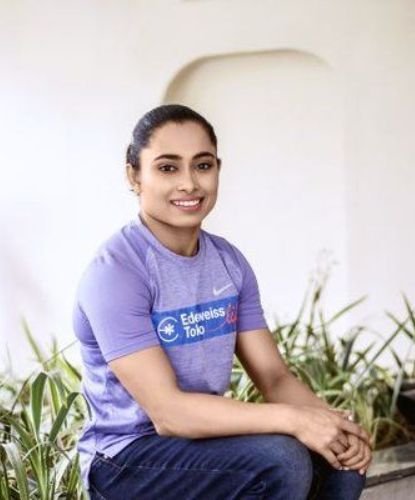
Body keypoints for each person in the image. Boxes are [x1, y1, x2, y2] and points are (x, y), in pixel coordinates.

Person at [72, 104, 372, 500]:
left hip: (201, 444)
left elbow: (274, 378)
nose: (189, 183)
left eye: (202, 165)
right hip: (124, 461)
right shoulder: (117, 271)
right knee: (282, 460)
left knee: (340, 458)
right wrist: (295, 421)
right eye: (168, 168)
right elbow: (169, 413)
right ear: (134, 176)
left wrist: (333, 426)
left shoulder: (228, 262)